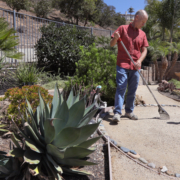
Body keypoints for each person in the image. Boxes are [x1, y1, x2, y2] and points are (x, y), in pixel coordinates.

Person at [110, 10, 149, 123]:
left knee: (132, 90)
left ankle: (129, 112)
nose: (143, 24)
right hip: (122, 64)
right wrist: (115, 38)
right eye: (142, 21)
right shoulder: (122, 28)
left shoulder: (142, 34)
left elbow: (144, 50)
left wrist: (140, 61)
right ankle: (117, 113)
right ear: (136, 18)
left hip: (135, 67)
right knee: (121, 88)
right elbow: (111, 44)